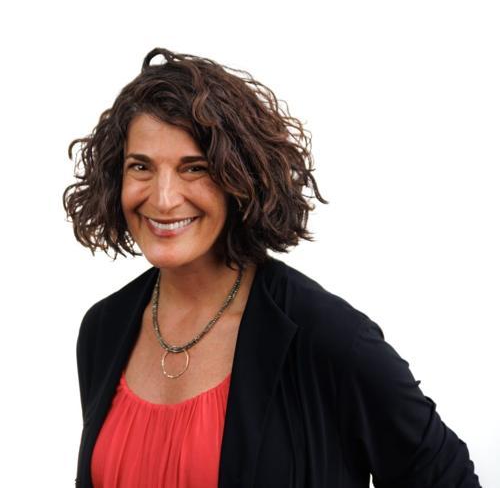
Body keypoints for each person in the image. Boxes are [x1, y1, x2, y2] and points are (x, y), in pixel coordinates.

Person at [64, 47, 481, 488]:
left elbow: (445, 477)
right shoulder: (104, 329)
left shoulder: (329, 338)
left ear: (239, 178)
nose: (164, 198)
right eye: (141, 167)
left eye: (194, 168)